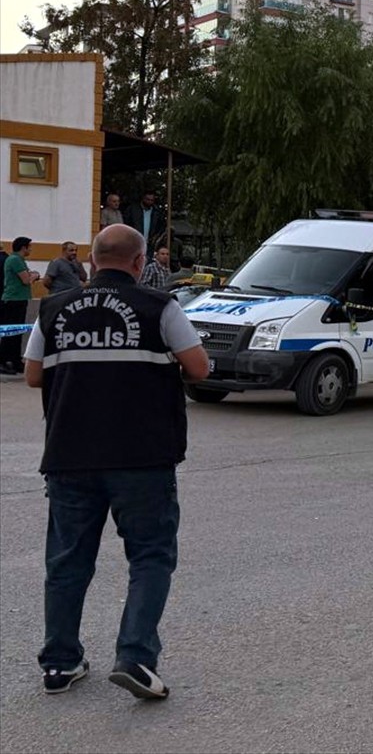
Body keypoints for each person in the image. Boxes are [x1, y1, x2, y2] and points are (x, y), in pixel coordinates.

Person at [23, 224, 208, 699]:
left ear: (89, 260)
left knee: (66, 562)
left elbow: (32, 376)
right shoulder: (161, 307)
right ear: (138, 261)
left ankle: (60, 666)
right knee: (150, 557)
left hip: (69, 454)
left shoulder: (53, 308)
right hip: (142, 457)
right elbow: (200, 367)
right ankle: (135, 659)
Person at [2, 236, 40, 375]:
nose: (30, 249)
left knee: (17, 332)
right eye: (29, 247)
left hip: (20, 299)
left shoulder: (19, 260)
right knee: (10, 332)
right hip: (13, 300)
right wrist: (34, 276)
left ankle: (15, 360)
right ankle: (4, 361)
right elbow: (26, 279)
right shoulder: (15, 260)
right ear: (23, 247)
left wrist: (32, 275)